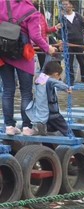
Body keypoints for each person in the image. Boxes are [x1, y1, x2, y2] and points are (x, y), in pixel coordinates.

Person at [0, 0, 56, 135]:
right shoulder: (32, 11)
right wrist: (48, 48)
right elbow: (35, 36)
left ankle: (9, 126)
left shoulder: (2, 3)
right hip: (23, 54)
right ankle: (26, 127)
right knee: (26, 92)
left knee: (8, 90)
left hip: (2, 52)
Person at [26, 61, 71, 136]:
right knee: (66, 130)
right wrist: (67, 88)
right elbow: (56, 82)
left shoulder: (40, 79)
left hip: (41, 114)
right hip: (52, 114)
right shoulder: (49, 81)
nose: (59, 78)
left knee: (49, 131)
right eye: (59, 76)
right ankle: (76, 141)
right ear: (56, 74)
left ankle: (42, 132)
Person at [59, 0, 84, 86]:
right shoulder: (62, 18)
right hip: (68, 43)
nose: (64, 6)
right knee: (69, 63)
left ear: (71, 5)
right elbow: (60, 31)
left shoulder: (77, 15)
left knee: (82, 62)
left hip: (79, 43)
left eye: (66, 4)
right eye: (63, 5)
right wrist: (60, 40)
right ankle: (70, 81)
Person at [34, 1, 61, 68]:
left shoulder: (41, 16)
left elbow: (46, 30)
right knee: (43, 65)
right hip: (33, 44)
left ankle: (54, 74)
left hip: (42, 43)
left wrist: (55, 28)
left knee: (46, 65)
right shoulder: (28, 17)